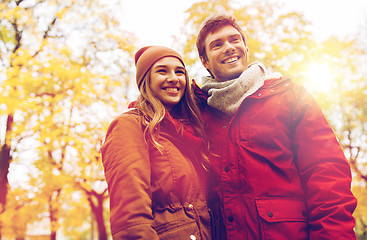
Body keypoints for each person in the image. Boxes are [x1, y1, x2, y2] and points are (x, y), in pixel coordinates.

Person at [192, 14, 357, 240]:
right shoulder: (197, 114)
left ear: (246, 48)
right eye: (217, 44)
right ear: (205, 61)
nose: (229, 47)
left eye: (235, 40)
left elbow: (326, 174)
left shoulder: (291, 97)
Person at [101, 46, 212, 239]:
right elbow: (131, 219)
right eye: (162, 71)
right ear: (146, 80)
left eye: (179, 72)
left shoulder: (190, 133)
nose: (173, 78)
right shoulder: (129, 126)